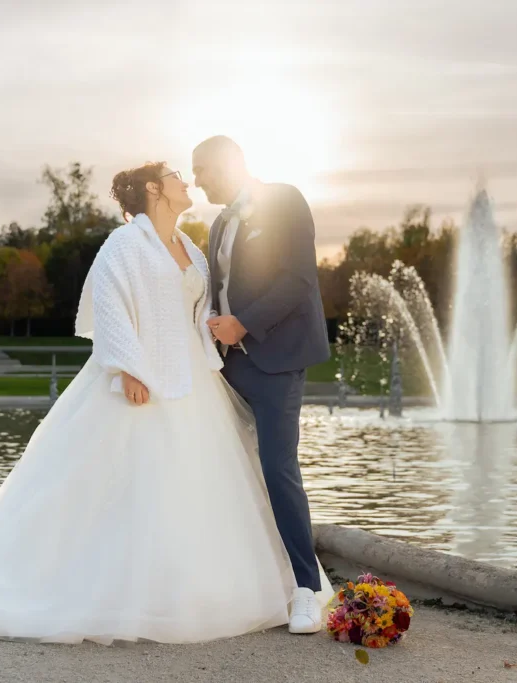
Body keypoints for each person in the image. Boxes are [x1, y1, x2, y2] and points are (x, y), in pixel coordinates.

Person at [0, 161, 331, 645]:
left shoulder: (192, 249)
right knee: (127, 482)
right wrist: (127, 367)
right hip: (141, 376)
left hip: (194, 380)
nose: (190, 182)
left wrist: (221, 333)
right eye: (179, 175)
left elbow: (206, 308)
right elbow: (108, 303)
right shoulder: (124, 244)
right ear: (154, 189)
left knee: (197, 484)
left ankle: (211, 584)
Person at [193, 136, 331, 635]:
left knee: (278, 468)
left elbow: (297, 281)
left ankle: (306, 591)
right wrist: (213, 322)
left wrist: (243, 324)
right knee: (214, 464)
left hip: (276, 362)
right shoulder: (219, 223)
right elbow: (222, 288)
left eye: (203, 168)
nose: (196, 179)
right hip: (227, 364)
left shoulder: (285, 201)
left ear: (230, 163)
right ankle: (231, 578)